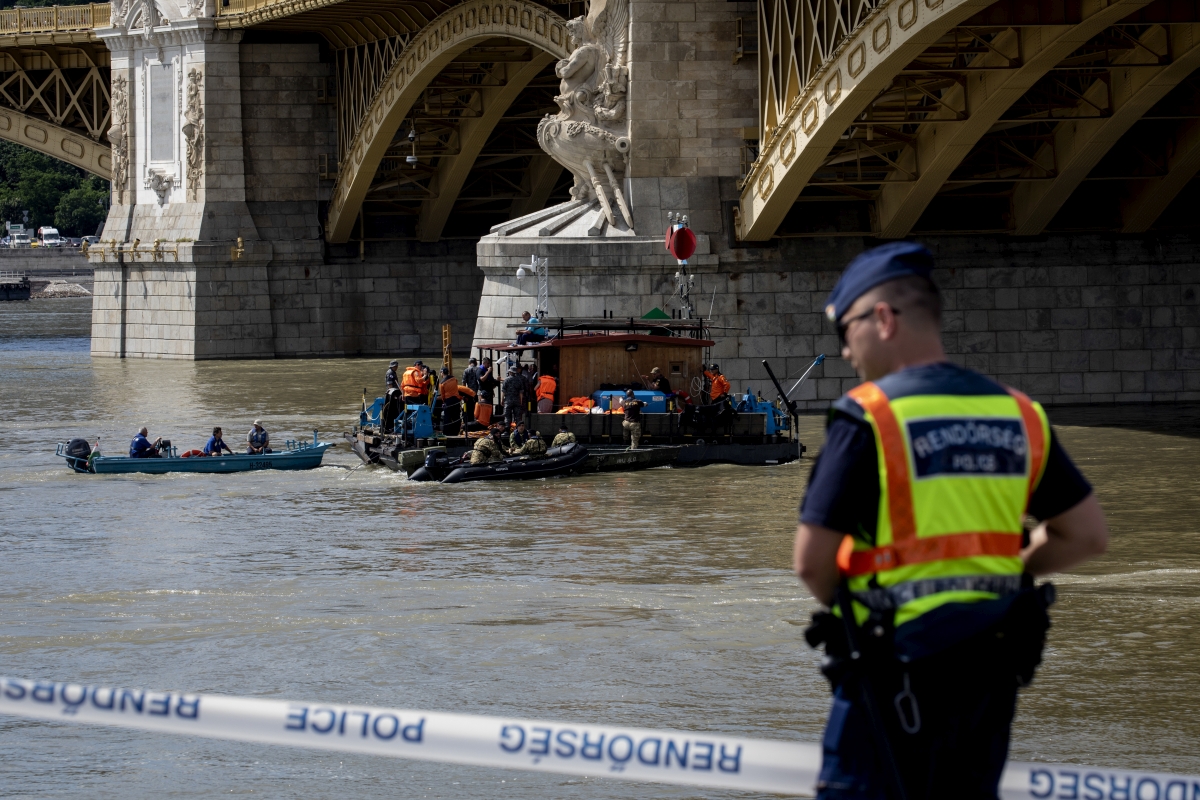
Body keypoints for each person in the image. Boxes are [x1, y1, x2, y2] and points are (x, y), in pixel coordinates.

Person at [793, 241, 1109, 800]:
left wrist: (863, 600)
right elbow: (1085, 535)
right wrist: (1013, 571)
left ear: (883, 319)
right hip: (989, 681)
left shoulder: (868, 416)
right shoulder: (1019, 413)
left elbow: (812, 564)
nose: (844, 351)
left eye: (845, 332)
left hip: (889, 678)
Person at [437, 367, 461, 432]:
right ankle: (457, 431)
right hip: (456, 400)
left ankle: (447, 432)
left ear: (442, 373)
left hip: (448, 401)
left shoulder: (442, 383)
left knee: (447, 417)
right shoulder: (454, 378)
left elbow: (442, 395)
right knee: (456, 416)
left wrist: (444, 401)